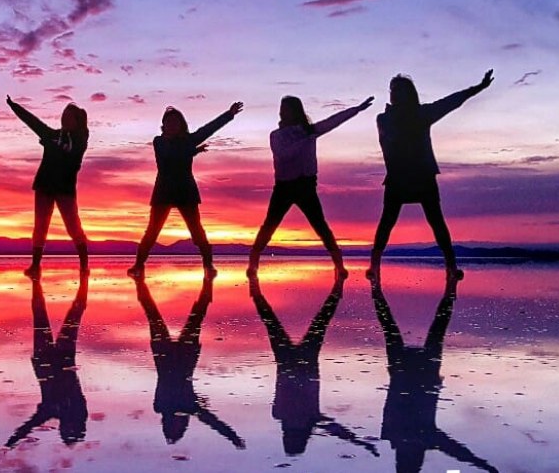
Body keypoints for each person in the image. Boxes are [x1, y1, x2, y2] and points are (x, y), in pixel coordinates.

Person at [368, 71, 493, 281]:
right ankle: (374, 265)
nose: (394, 94)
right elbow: (389, 140)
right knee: (387, 222)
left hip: (422, 176)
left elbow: (451, 102)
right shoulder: (384, 119)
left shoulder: (422, 114)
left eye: (399, 90)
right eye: (392, 90)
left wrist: (478, 88)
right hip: (398, 178)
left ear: (410, 93)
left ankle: (451, 266)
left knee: (436, 221)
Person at [371, 276, 498, 473]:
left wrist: (482, 464)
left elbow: (455, 450)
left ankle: (378, 287)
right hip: (413, 373)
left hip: (414, 374)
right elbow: (456, 450)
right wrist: (481, 464)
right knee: (397, 327)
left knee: (432, 326)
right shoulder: (400, 435)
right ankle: (377, 288)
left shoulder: (413, 436)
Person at [248, 271, 378, 457]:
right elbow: (337, 430)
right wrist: (358, 442)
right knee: (275, 323)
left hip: (299, 365)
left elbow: (336, 429)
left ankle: (337, 286)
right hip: (291, 365)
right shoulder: (280, 415)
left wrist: (360, 442)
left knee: (318, 321)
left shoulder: (308, 418)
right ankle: (255, 288)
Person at [248, 95, 374, 278]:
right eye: (281, 108)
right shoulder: (277, 135)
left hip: (306, 186)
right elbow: (283, 155)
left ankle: (338, 265)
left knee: (320, 226)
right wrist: (305, 140)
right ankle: (253, 263)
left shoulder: (309, 130)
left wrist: (356, 109)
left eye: (286, 108)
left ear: (296, 111)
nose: (282, 112)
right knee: (270, 225)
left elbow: (332, 122)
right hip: (284, 187)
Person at [127, 102, 244, 279]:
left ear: (181, 125)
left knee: (197, 231)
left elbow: (208, 129)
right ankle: (138, 265)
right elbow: (170, 155)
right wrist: (193, 151)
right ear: (163, 125)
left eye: (176, 122)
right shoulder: (159, 141)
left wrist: (229, 114)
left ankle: (208, 266)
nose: (172, 125)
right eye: (169, 122)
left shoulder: (188, 140)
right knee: (152, 232)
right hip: (164, 191)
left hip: (185, 190)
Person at [133, 274, 245, 449]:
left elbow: (211, 421)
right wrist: (232, 436)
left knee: (159, 315)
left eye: (177, 426)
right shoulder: (170, 406)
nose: (181, 423)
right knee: (187, 316)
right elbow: (212, 422)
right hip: (179, 358)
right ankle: (207, 281)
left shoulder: (172, 406)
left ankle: (140, 281)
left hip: (170, 357)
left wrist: (232, 437)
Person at [5, 96, 90, 278]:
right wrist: (14, 106)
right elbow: (33, 122)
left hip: (65, 189)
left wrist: (50, 144)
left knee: (73, 227)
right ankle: (35, 266)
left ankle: (84, 265)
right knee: (40, 226)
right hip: (44, 185)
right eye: (63, 115)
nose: (65, 119)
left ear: (77, 121)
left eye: (69, 117)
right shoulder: (52, 135)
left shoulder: (80, 139)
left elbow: (70, 154)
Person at [6, 270, 90, 447]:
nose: (63, 429)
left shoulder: (52, 411)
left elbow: (28, 426)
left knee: (43, 315)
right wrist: (13, 440)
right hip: (62, 360)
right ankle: (83, 276)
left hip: (46, 360)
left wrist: (12, 442)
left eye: (64, 432)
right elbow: (29, 426)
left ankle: (38, 281)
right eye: (67, 431)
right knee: (71, 315)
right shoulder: (72, 411)